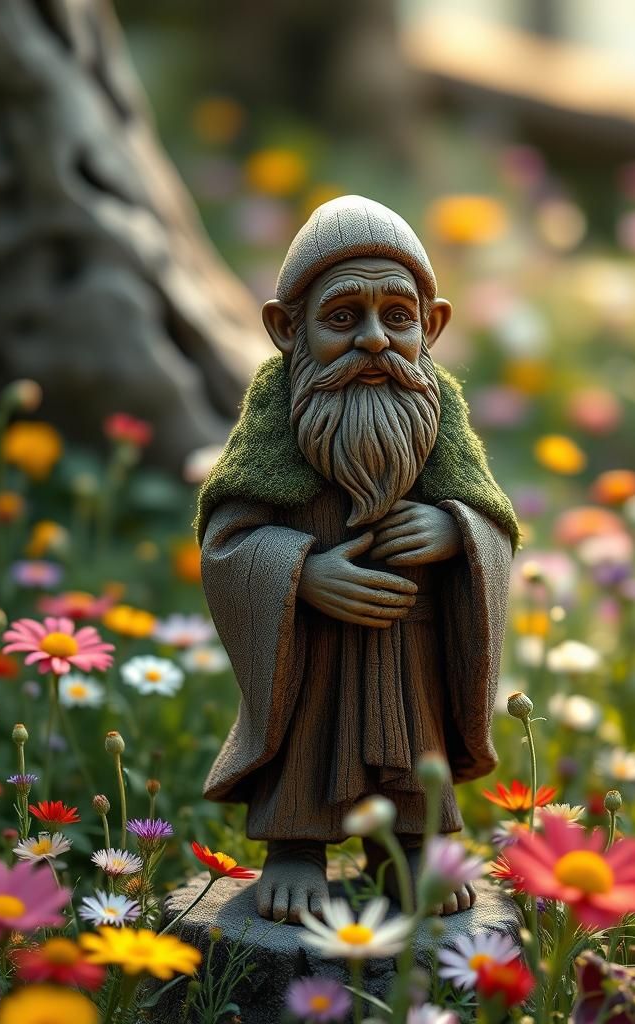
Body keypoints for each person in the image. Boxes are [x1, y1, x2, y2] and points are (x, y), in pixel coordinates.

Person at [194, 195, 517, 922]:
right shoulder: (275, 415)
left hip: (414, 642)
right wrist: (300, 572)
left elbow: (493, 522)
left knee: (416, 747)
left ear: (432, 324)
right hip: (313, 645)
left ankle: (408, 846)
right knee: (310, 730)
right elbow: (225, 539)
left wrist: (455, 531)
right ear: (287, 327)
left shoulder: (438, 406)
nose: (375, 340)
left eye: (397, 317)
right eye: (343, 318)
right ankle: (297, 848)